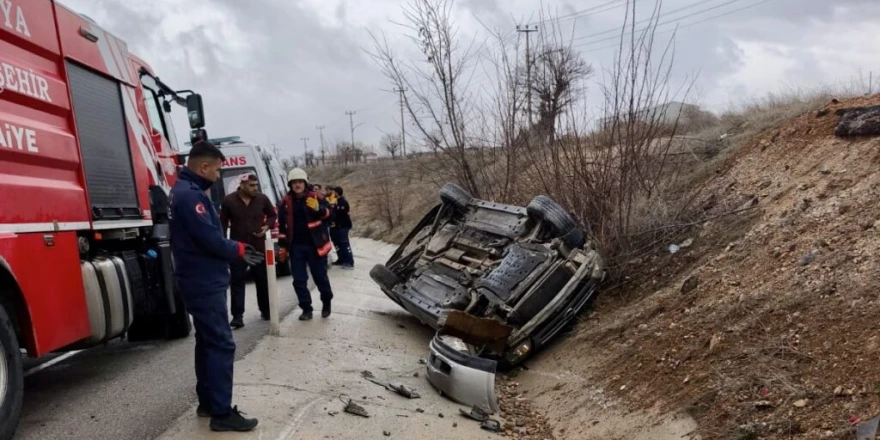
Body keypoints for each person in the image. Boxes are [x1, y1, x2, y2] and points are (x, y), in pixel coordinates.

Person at [169, 140, 263, 432]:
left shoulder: (184, 191)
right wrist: (237, 249)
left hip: (197, 278)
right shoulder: (190, 197)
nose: (219, 175)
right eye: (218, 170)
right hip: (203, 281)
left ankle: (208, 402)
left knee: (207, 341)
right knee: (221, 344)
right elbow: (208, 238)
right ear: (204, 166)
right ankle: (221, 412)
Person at [219, 173, 277, 328]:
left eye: (256, 185)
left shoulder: (262, 199)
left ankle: (265, 310)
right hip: (238, 248)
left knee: (262, 279)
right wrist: (223, 245)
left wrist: (266, 226)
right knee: (237, 281)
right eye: (251, 185)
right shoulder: (229, 200)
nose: (255, 188)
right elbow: (222, 224)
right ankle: (237, 317)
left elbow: (272, 215)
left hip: (258, 245)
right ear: (242, 185)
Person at [277, 168, 335, 320]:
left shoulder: (316, 197)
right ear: (290, 184)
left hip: (315, 245)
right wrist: (283, 246)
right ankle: (306, 308)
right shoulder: (285, 202)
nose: (297, 185)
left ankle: (326, 300)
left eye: (300, 182)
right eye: (294, 182)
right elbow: (282, 227)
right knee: (299, 280)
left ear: (305, 183)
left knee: (320, 277)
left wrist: (319, 209)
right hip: (296, 247)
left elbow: (331, 216)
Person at [328, 187, 354, 269]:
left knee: (344, 243)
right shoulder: (337, 202)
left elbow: (342, 216)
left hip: (343, 226)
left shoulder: (343, 202)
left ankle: (349, 262)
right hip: (338, 226)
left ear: (337, 193)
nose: (333, 194)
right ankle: (342, 259)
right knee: (338, 243)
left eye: (334, 192)